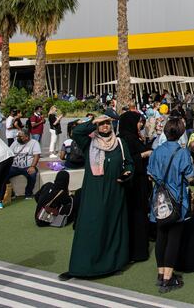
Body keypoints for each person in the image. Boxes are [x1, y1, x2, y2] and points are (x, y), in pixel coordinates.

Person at [62, 115, 133, 279]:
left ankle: (112, 265)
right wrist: (93, 122)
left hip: (115, 190)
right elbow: (76, 132)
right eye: (102, 124)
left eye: (107, 123)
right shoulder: (89, 142)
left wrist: (128, 172)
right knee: (90, 227)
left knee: (112, 226)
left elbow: (128, 162)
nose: (105, 126)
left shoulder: (120, 143)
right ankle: (81, 267)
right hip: (94, 191)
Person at [147, 117, 194, 293]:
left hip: (159, 199)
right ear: (181, 132)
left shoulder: (156, 151)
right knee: (174, 238)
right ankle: (169, 277)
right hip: (177, 199)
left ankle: (161, 274)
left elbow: (150, 174)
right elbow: (191, 177)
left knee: (161, 236)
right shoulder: (182, 153)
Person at [117, 110, 152, 263]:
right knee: (136, 216)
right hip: (134, 183)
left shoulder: (130, 137)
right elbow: (128, 160)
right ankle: (137, 251)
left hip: (138, 182)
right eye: (138, 122)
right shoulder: (126, 139)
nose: (141, 124)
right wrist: (144, 154)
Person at [7, 130, 41, 199]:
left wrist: (32, 166)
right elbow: (9, 153)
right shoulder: (15, 142)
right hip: (15, 167)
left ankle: (28, 193)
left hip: (28, 166)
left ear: (27, 137)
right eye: (17, 136)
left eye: (20, 136)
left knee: (32, 174)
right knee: (3, 174)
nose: (18, 138)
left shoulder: (34, 143)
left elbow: (36, 156)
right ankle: (11, 193)